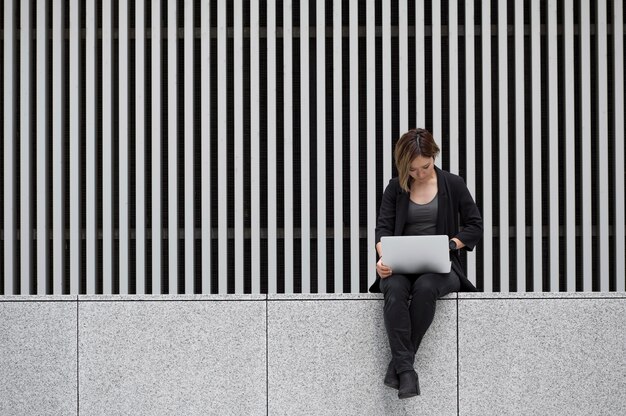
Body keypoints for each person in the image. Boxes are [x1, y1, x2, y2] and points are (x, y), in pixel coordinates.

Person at [369, 128, 482, 399]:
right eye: (413, 169)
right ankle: (406, 372)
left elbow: (474, 226)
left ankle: (400, 367)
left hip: (441, 268)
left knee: (426, 287)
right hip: (401, 266)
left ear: (434, 156)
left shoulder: (452, 184)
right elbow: (382, 229)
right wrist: (383, 258)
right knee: (394, 289)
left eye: (425, 167)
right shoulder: (395, 188)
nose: (420, 174)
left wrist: (452, 244)